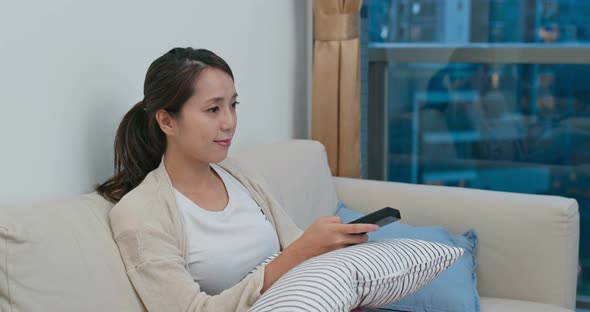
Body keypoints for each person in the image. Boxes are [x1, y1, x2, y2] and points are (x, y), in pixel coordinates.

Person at [96, 47, 378, 312]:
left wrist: (326, 246)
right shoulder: (139, 214)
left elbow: (294, 246)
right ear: (167, 122)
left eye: (233, 105)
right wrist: (301, 252)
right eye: (213, 109)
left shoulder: (238, 174)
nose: (229, 122)